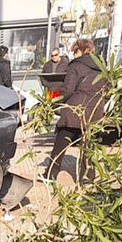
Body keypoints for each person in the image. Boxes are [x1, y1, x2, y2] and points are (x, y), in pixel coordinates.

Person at [44, 39, 106, 182]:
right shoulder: (102, 67)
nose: (74, 54)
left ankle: (51, 174)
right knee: (89, 147)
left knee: (61, 143)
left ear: (79, 50)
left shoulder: (76, 66)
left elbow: (68, 89)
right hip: (94, 113)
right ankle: (87, 178)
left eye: (74, 51)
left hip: (75, 111)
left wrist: (54, 104)